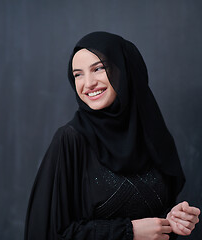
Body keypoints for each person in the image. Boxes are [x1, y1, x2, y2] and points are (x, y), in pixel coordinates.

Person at [24, 32, 200, 240]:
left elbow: (153, 223)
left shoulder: (153, 135)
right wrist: (129, 232)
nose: (87, 83)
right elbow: (48, 234)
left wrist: (170, 222)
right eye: (78, 74)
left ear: (125, 70)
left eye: (98, 68)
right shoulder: (70, 140)